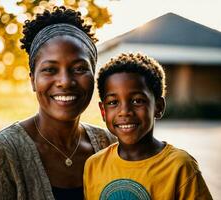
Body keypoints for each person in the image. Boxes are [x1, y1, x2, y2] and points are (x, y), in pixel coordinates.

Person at [0, 6, 116, 200]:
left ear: (93, 76)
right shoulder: (0, 152)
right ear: (32, 80)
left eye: (79, 68)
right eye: (50, 70)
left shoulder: (111, 145)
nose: (65, 81)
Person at [83, 53, 213, 199]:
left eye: (138, 101)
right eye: (113, 102)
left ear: (158, 107)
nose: (125, 111)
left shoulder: (180, 166)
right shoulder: (94, 165)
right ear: (103, 111)